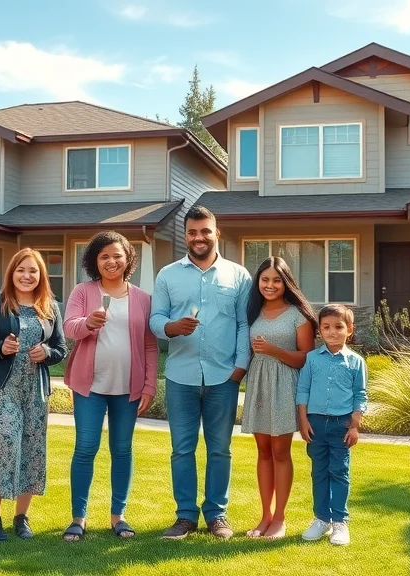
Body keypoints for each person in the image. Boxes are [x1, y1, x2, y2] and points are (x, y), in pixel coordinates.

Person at [149, 204, 252, 540]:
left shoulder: (238, 275)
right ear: (186, 235)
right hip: (181, 376)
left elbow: (243, 323)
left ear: (216, 233)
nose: (199, 237)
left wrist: (240, 367)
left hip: (224, 377)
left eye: (205, 231)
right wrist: (171, 327)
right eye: (192, 232)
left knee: (220, 448)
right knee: (182, 448)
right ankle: (185, 516)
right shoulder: (167, 275)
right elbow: (154, 320)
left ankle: (217, 515)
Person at [61, 231, 158, 542]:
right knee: (86, 448)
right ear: (95, 262)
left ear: (128, 258)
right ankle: (79, 518)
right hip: (89, 386)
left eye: (117, 255)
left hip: (127, 388)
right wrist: (88, 323)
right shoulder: (83, 291)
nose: (111, 261)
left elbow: (150, 346)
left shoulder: (142, 298)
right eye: (104, 256)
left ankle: (118, 516)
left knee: (122, 450)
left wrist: (149, 386)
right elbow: (69, 328)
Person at [0, 248, 67, 542]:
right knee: (7, 441)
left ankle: (21, 517)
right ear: (11, 273)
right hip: (3, 385)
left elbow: (60, 349)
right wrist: (0, 347)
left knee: (32, 447)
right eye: (21, 270)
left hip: (35, 387)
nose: (27, 276)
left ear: (41, 275)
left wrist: (47, 353)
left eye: (33, 271)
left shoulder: (50, 307)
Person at [241, 257, 317, 540]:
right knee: (262, 452)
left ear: (286, 283)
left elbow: (307, 358)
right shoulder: (252, 311)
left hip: (285, 385)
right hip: (259, 385)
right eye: (265, 279)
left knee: (280, 452)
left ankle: (280, 519)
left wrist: (273, 350)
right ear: (258, 282)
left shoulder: (298, 314)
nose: (270, 285)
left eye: (276, 280)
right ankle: (265, 517)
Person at [296, 304, 368, 547]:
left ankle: (340, 521)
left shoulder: (356, 362)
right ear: (319, 331)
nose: (332, 332)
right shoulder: (311, 359)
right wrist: (303, 420)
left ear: (350, 330)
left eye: (338, 327)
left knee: (339, 472)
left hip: (341, 425)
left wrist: (355, 425)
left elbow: (360, 394)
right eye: (326, 327)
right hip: (315, 424)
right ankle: (321, 518)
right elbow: (303, 390)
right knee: (319, 472)